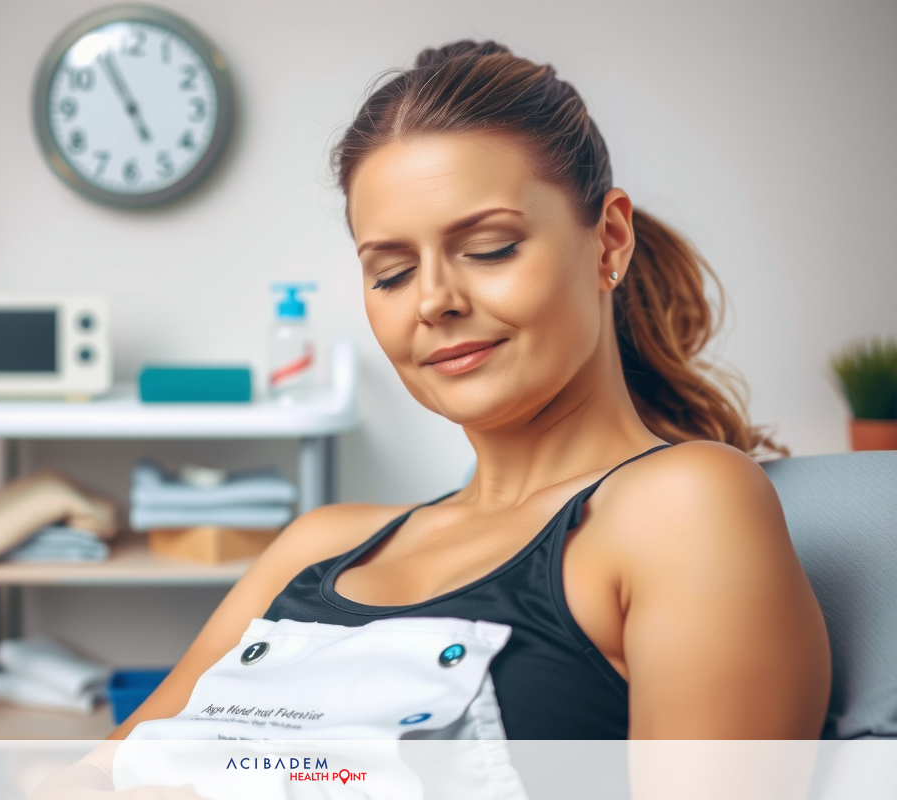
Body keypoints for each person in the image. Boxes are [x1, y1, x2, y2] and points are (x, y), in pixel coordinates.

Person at [110, 38, 828, 752]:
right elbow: (100, 771)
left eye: (489, 248)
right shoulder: (317, 544)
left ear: (608, 241)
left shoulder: (682, 506)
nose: (434, 301)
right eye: (390, 272)